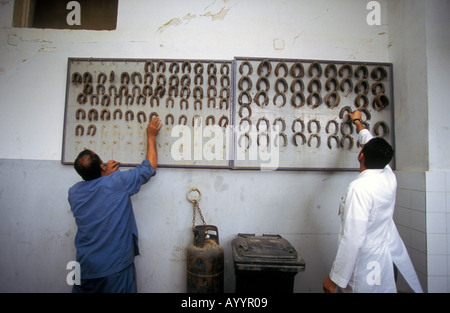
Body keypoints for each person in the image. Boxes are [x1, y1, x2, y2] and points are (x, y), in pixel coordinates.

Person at [323, 110, 423, 293]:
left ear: (361, 155)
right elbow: (369, 142)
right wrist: (358, 122)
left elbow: (353, 239)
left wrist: (333, 279)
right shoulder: (388, 175)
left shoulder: (359, 188)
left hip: (366, 264)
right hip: (385, 258)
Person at [68, 117, 162, 293]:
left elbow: (97, 192)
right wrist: (151, 136)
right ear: (101, 164)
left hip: (84, 267)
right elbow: (149, 168)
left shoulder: (73, 193)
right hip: (114, 268)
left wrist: (105, 176)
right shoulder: (116, 182)